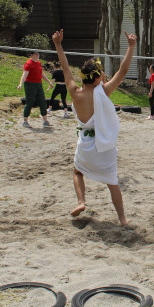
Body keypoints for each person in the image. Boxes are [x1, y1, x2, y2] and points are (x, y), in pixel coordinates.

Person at [52, 29, 137, 226]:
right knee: (112, 182)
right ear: (98, 76)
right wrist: (131, 47)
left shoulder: (74, 92)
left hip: (86, 144)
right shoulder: (104, 91)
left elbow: (65, 68)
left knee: (77, 172)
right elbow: (122, 72)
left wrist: (58, 44)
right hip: (104, 146)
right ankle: (122, 219)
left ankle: (81, 201)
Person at [17, 51, 53, 128]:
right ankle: (25, 121)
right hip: (30, 84)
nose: (37, 56)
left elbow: (41, 74)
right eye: (36, 54)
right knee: (30, 102)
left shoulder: (38, 63)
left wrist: (49, 82)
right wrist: (21, 84)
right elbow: (24, 74)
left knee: (42, 101)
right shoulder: (28, 63)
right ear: (32, 55)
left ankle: (45, 120)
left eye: (38, 54)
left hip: (38, 84)